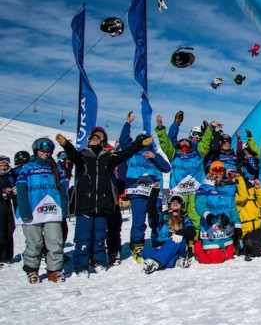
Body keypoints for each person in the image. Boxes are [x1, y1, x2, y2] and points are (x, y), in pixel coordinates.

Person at [56, 128, 151, 277]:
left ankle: (99, 260)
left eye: (97, 138)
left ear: (102, 142)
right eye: (92, 138)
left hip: (102, 203)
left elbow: (126, 153)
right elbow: (72, 153)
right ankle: (81, 264)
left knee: (100, 234)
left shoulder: (108, 158)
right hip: (84, 204)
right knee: (83, 235)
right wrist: (65, 144)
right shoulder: (82, 157)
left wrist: (140, 144)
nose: (94, 139)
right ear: (88, 142)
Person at [15, 138, 68, 283]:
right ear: (36, 151)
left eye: (48, 150)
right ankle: (32, 270)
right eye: (42, 150)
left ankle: (54, 271)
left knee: (55, 241)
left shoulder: (56, 168)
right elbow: (21, 191)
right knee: (35, 243)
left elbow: (63, 190)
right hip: (33, 212)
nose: (46, 153)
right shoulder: (27, 169)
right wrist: (24, 211)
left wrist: (64, 209)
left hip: (52, 211)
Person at [121, 111, 171, 260]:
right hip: (137, 191)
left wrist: (154, 156)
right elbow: (124, 142)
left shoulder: (155, 155)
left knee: (155, 219)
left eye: (147, 142)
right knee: (138, 220)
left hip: (154, 191)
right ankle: (137, 246)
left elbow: (166, 168)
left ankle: (157, 241)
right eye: (142, 142)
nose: (145, 145)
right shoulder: (132, 154)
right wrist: (127, 124)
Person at [156, 114, 206, 236]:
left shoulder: (198, 151)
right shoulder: (176, 151)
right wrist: (175, 124)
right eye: (195, 134)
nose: (197, 137)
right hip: (178, 190)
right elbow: (169, 141)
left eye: (200, 135)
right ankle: (174, 239)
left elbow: (207, 143)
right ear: (190, 135)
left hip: (195, 189)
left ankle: (195, 242)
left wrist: (208, 131)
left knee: (195, 216)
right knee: (176, 216)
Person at [194, 161, 241, 263]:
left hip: (225, 229)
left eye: (221, 170)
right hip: (211, 228)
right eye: (216, 170)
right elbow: (199, 204)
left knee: (229, 256)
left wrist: (237, 225)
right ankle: (197, 247)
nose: (219, 173)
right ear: (211, 172)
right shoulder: (204, 187)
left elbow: (232, 207)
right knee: (216, 259)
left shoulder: (227, 187)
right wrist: (207, 214)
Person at [140, 195, 196, 273]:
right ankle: (174, 261)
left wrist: (181, 232)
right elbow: (151, 210)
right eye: (173, 201)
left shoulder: (185, 217)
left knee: (175, 239)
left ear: (182, 205)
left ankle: (156, 262)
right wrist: (155, 192)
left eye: (178, 202)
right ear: (169, 204)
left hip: (178, 246)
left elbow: (191, 231)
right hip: (162, 246)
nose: (175, 203)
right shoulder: (163, 217)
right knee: (145, 252)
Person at [0, 155, 17, 267]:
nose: (4, 167)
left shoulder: (10, 175)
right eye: (1, 165)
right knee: (1, 233)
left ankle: (7, 256)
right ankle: (1, 257)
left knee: (10, 230)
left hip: (8, 208)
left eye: (5, 165)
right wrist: (3, 190)